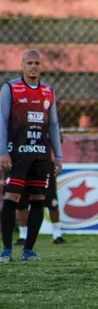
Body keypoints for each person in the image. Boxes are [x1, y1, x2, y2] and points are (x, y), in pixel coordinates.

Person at [0, 50, 63, 263]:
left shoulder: (48, 92)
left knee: (38, 200)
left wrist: (59, 155)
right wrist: (2, 152)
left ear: (42, 66)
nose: (34, 66)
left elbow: (53, 125)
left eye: (37, 63)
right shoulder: (11, 89)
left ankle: (28, 250)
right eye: (30, 63)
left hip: (42, 156)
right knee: (11, 199)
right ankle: (7, 250)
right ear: (23, 65)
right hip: (17, 155)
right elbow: (2, 121)